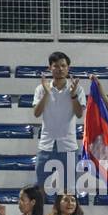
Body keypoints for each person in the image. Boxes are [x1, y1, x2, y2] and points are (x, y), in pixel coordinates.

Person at [32, 51, 86, 198]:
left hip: (68, 145)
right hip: (46, 145)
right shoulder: (41, 89)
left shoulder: (77, 89)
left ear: (68, 68)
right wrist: (47, 93)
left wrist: (73, 95)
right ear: (50, 68)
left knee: (69, 192)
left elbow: (79, 113)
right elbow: (36, 113)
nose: (60, 69)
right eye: (56, 66)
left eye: (63, 66)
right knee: (40, 191)